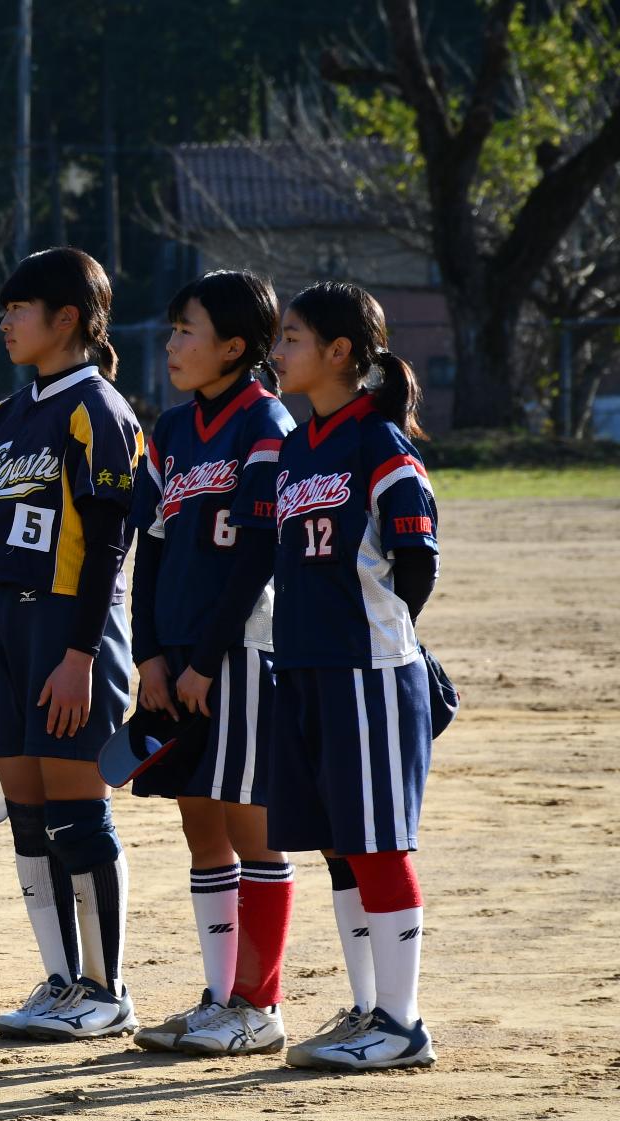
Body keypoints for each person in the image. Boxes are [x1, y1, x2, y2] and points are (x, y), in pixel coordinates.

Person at [0, 247, 144, 1041]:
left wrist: (81, 656)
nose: (5, 322)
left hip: (70, 627)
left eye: (19, 309)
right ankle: (61, 980)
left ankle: (105, 987)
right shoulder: (8, 415)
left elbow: (107, 542)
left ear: (66, 318)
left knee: (77, 813)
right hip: (5, 625)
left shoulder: (97, 409)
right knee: (29, 818)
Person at [266, 280, 441, 1071]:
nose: (278, 351)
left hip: (366, 667)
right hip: (306, 663)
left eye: (292, 338)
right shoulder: (300, 444)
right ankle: (369, 1007)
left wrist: (380, 633)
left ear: (340, 352)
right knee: (341, 845)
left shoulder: (379, 441)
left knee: (376, 842)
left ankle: (402, 1023)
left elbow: (417, 559)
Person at [128, 271, 299, 1056]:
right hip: (177, 657)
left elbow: (258, 555)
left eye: (186, 330)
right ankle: (219, 994)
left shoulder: (266, 422)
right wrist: (150, 655)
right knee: (200, 820)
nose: (172, 344)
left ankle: (258, 1004)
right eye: (171, 330)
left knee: (249, 823)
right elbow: (151, 548)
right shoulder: (169, 428)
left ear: (234, 346)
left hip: (239, 650)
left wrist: (202, 659)